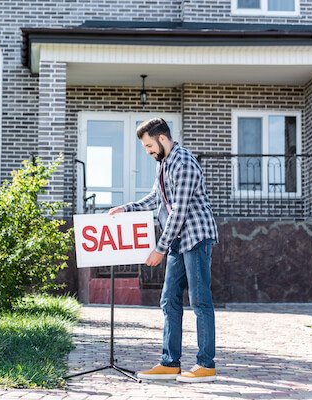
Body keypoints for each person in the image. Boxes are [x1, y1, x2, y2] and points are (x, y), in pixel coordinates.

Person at [109, 117, 219, 383]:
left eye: (148, 146)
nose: (148, 152)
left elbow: (178, 212)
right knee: (169, 300)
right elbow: (155, 198)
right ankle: (170, 363)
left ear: (161, 138)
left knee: (200, 301)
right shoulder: (165, 164)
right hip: (178, 240)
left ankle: (206, 366)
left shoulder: (183, 163)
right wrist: (126, 208)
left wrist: (159, 249)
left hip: (196, 237)